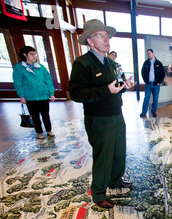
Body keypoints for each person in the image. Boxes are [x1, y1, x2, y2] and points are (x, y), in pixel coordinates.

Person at [69, 19, 136, 209]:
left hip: (116, 114)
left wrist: (123, 87)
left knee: (118, 151)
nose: (107, 39)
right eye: (101, 36)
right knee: (103, 155)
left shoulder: (110, 62)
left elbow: (113, 88)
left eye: (107, 36)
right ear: (90, 41)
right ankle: (98, 193)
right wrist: (106, 90)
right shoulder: (83, 64)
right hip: (98, 118)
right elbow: (76, 94)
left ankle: (115, 180)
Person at [12, 46, 56, 140]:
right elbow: (18, 83)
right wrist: (22, 96)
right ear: (25, 55)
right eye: (31, 54)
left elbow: (48, 80)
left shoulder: (40, 67)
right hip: (30, 97)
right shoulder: (19, 68)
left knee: (46, 115)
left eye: (35, 54)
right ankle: (39, 132)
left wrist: (51, 93)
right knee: (35, 116)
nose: (34, 56)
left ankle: (49, 130)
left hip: (43, 95)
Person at [140, 49, 165, 118]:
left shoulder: (159, 63)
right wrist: (145, 80)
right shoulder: (146, 63)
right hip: (148, 84)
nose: (149, 55)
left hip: (156, 85)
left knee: (155, 98)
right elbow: (142, 72)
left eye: (150, 53)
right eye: (148, 54)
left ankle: (153, 111)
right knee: (146, 98)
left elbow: (162, 73)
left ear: (153, 53)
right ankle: (143, 112)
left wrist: (159, 82)